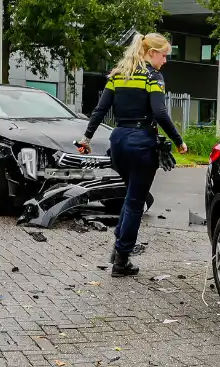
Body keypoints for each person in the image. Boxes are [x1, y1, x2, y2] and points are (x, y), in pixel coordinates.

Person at [77, 32, 188, 277]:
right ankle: (121, 260)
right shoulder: (153, 76)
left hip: (117, 141)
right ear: (151, 53)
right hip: (140, 143)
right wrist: (179, 141)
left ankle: (118, 249)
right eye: (164, 55)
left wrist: (86, 138)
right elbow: (159, 113)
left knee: (131, 196)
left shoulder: (117, 76)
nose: (165, 61)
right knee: (135, 202)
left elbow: (100, 110)